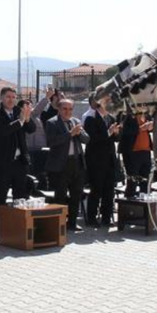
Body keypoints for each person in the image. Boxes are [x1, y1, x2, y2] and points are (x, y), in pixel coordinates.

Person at [0, 87, 35, 239]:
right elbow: (4, 131)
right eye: (8, 97)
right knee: (0, 197)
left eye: (14, 97)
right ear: (1, 98)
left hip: (19, 162)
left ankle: (17, 227)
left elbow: (31, 129)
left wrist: (27, 119)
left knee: (19, 197)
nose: (11, 99)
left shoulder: (18, 112)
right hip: (4, 163)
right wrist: (20, 120)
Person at [45, 99, 89, 232]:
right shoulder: (52, 123)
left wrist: (79, 132)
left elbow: (87, 139)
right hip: (61, 165)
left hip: (76, 163)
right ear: (59, 109)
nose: (68, 112)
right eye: (65, 109)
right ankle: (59, 223)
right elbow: (52, 142)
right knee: (61, 196)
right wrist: (70, 134)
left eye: (70, 109)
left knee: (76, 194)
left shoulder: (75, 122)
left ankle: (73, 222)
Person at [83, 95, 121, 226]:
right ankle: (92, 218)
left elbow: (116, 139)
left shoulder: (110, 118)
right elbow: (92, 139)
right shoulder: (90, 118)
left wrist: (116, 133)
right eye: (108, 102)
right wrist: (108, 133)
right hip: (96, 160)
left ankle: (106, 218)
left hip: (109, 159)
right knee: (96, 190)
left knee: (109, 190)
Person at [119, 111, 154, 197]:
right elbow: (124, 131)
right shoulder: (127, 115)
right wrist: (140, 128)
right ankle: (129, 205)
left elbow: (151, 128)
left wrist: (151, 127)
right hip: (132, 152)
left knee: (145, 180)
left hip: (146, 151)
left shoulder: (146, 114)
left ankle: (145, 204)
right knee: (132, 182)